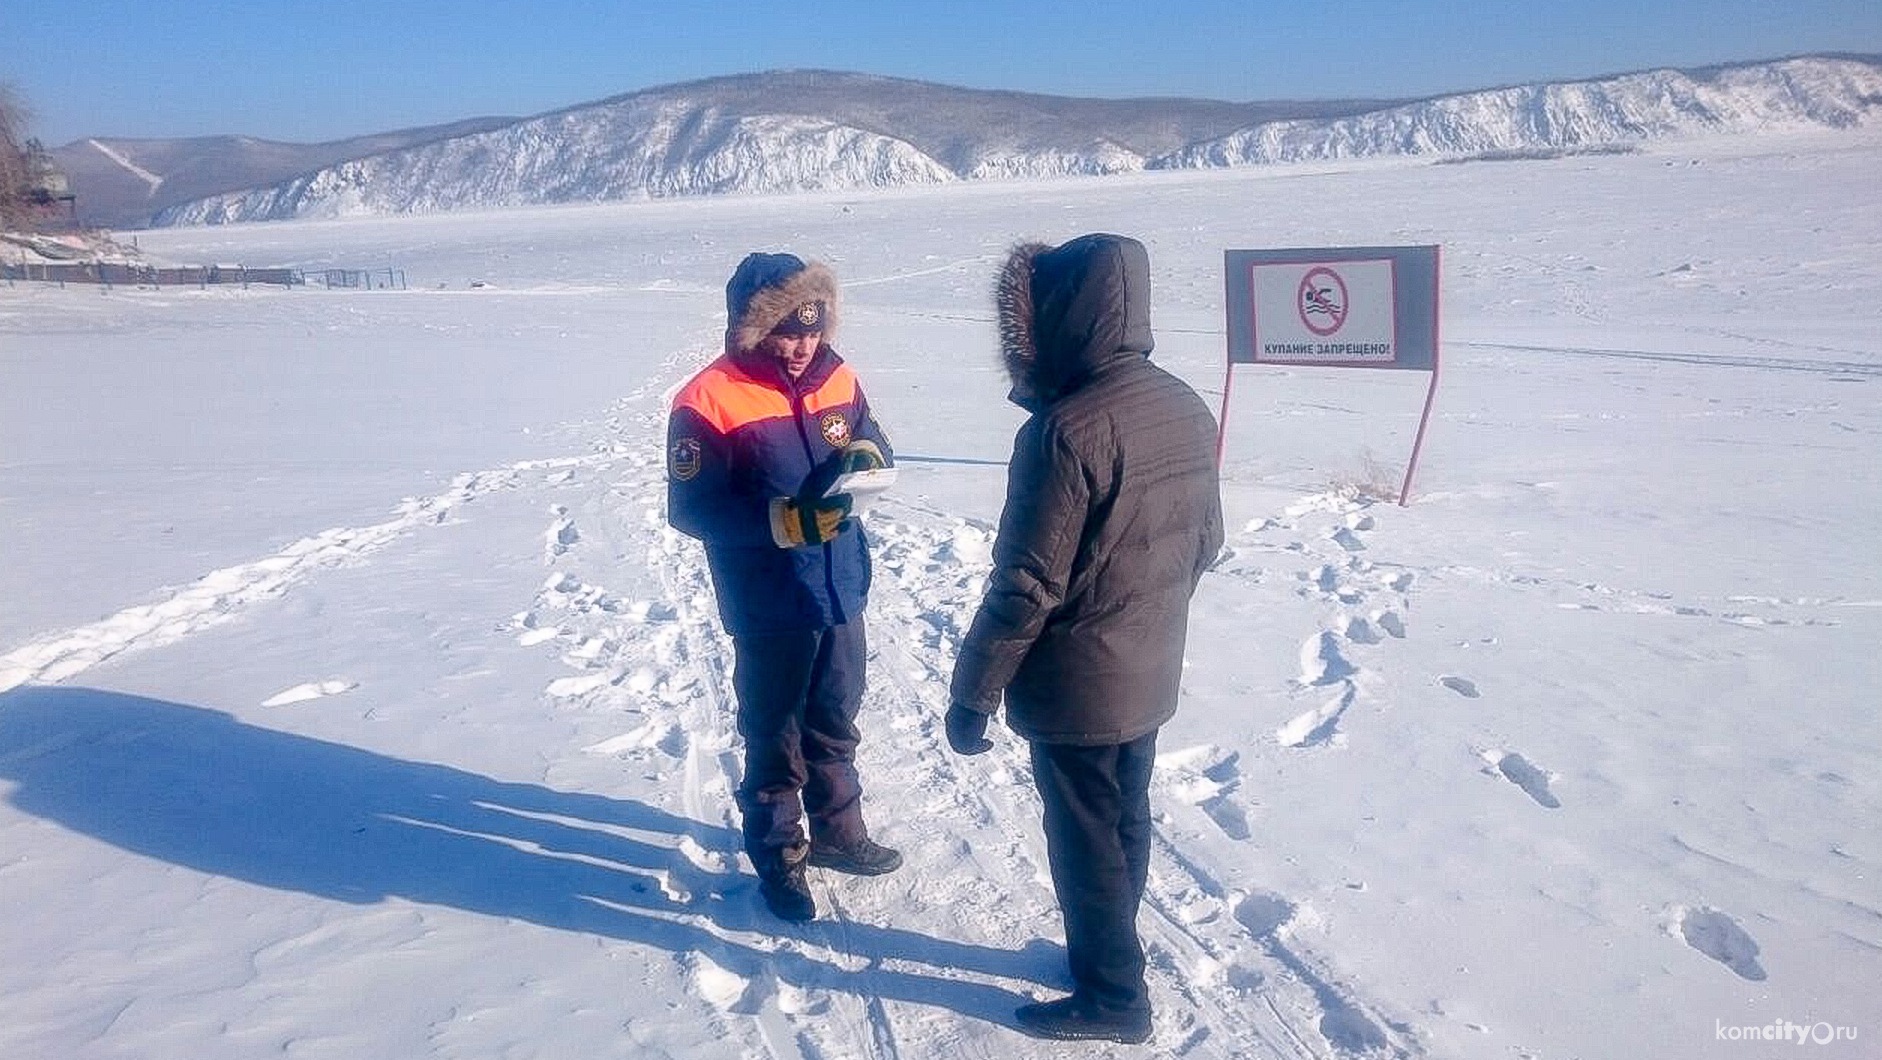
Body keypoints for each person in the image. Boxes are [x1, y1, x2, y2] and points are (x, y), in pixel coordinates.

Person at [946, 233, 1224, 1044]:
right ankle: (1108, 953)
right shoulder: (1183, 402)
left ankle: (1113, 995)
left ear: (1060, 317)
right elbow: (1206, 538)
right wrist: (1145, 610)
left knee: (1084, 840)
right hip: (1149, 662)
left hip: (1079, 680)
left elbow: (1024, 587)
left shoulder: (1065, 431)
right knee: (1123, 815)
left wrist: (973, 693)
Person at [666, 252, 902, 922]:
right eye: (785, 333)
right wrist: (780, 521)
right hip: (767, 596)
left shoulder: (838, 374)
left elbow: (869, 434)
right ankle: (778, 853)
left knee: (835, 715)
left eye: (812, 330)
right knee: (776, 728)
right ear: (752, 327)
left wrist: (868, 453)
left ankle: (839, 831)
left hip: (838, 586)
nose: (801, 346)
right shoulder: (707, 399)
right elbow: (691, 509)